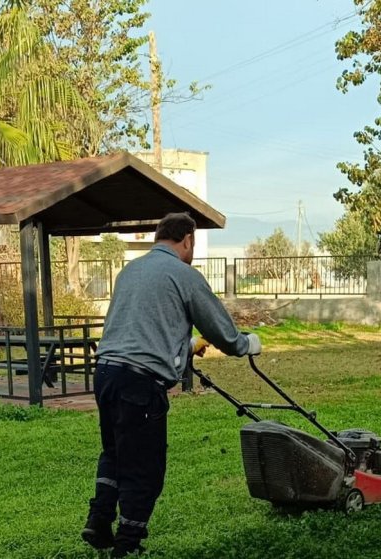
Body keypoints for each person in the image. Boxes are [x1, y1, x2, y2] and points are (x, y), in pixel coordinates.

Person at [81, 212, 261, 556]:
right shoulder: (184, 275)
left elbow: (144, 327)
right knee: (145, 466)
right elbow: (220, 329)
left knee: (115, 453)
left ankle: (99, 518)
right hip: (139, 382)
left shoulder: (130, 271)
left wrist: (187, 346)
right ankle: (128, 544)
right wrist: (246, 344)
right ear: (187, 239)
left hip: (106, 372)